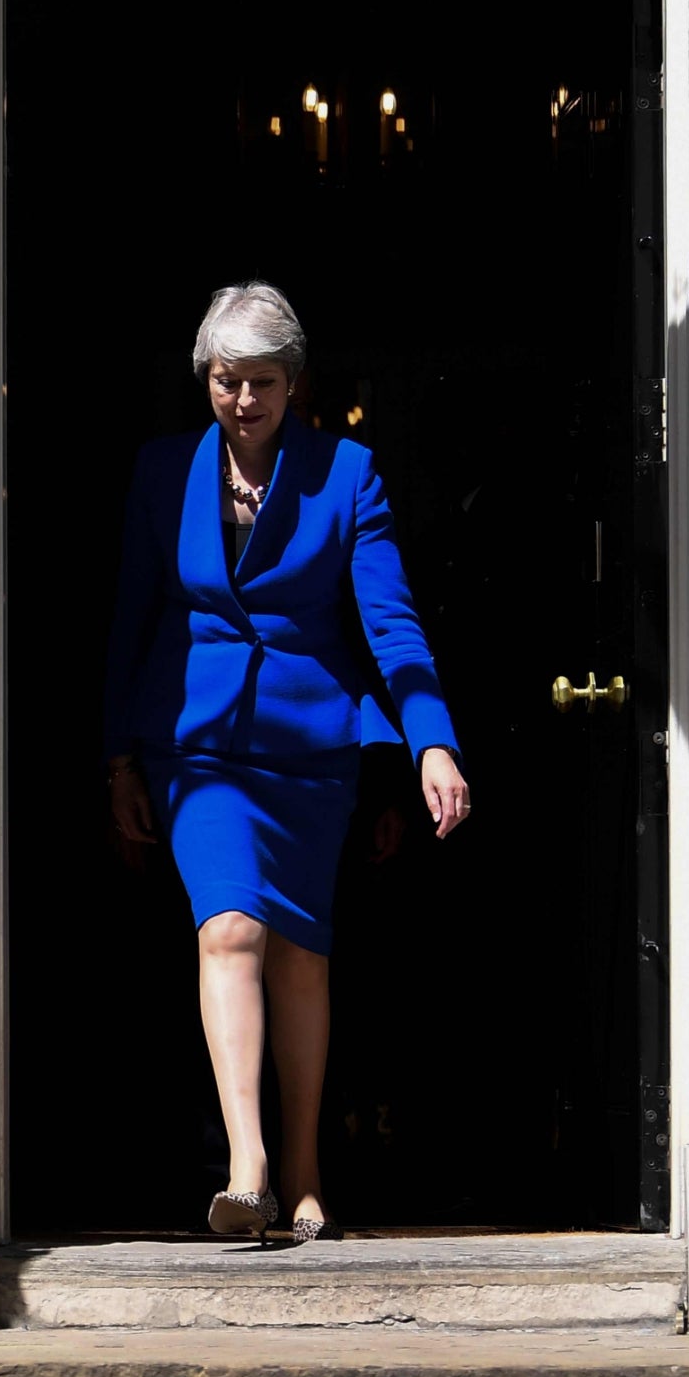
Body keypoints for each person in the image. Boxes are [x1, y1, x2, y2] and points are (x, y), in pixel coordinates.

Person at [103, 282, 470, 1243]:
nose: (244, 400)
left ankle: (307, 1170)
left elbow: (390, 624)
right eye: (227, 381)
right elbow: (133, 621)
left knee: (302, 956)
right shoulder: (160, 472)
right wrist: (118, 761)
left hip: (310, 756)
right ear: (206, 380)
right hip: (196, 743)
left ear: (295, 382)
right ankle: (250, 1167)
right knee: (228, 930)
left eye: (263, 381)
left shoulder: (348, 474)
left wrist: (430, 737)